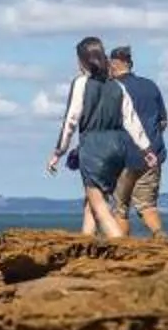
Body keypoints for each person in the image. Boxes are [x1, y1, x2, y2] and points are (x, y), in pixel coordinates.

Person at [47, 36, 156, 241]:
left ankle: (123, 247)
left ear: (82, 61)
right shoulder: (118, 86)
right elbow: (132, 120)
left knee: (99, 205)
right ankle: (85, 245)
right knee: (92, 200)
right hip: (118, 147)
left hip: (93, 146)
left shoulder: (81, 83)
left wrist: (58, 152)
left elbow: (71, 119)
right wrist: (147, 149)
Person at [105, 45, 168, 239]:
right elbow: (163, 121)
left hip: (122, 156)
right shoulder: (150, 86)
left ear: (112, 65)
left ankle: (122, 249)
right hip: (152, 153)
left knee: (120, 208)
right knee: (147, 205)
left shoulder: (111, 89)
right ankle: (160, 236)